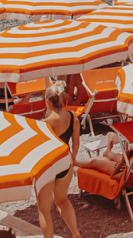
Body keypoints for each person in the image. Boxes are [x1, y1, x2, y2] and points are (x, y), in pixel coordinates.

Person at [38, 83, 82, 238]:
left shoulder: (43, 124)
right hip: (66, 161)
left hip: (48, 164)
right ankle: (76, 234)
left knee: (44, 209)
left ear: (49, 102)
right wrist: (73, 158)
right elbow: (76, 142)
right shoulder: (72, 117)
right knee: (62, 200)